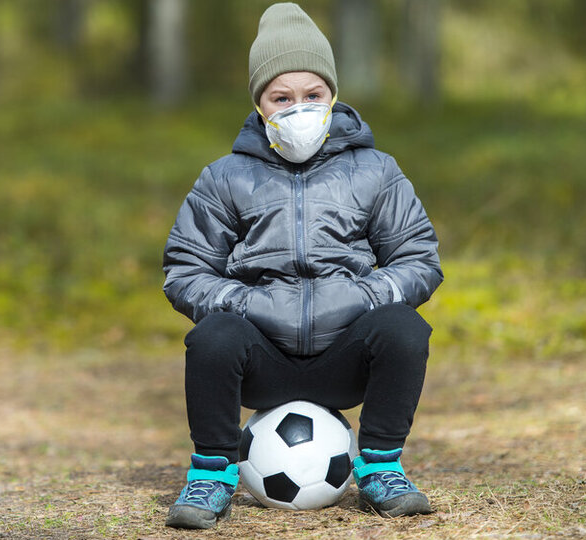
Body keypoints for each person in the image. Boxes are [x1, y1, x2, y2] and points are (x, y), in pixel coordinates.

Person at [161, 2, 444, 530]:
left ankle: (382, 467)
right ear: (260, 105)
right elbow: (185, 269)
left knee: (404, 327)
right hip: (261, 360)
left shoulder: (377, 171)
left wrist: (358, 297)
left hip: (345, 358)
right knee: (214, 336)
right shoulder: (225, 178)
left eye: (313, 95)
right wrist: (245, 303)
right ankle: (211, 473)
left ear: (332, 96)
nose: (299, 109)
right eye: (282, 98)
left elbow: (417, 260)